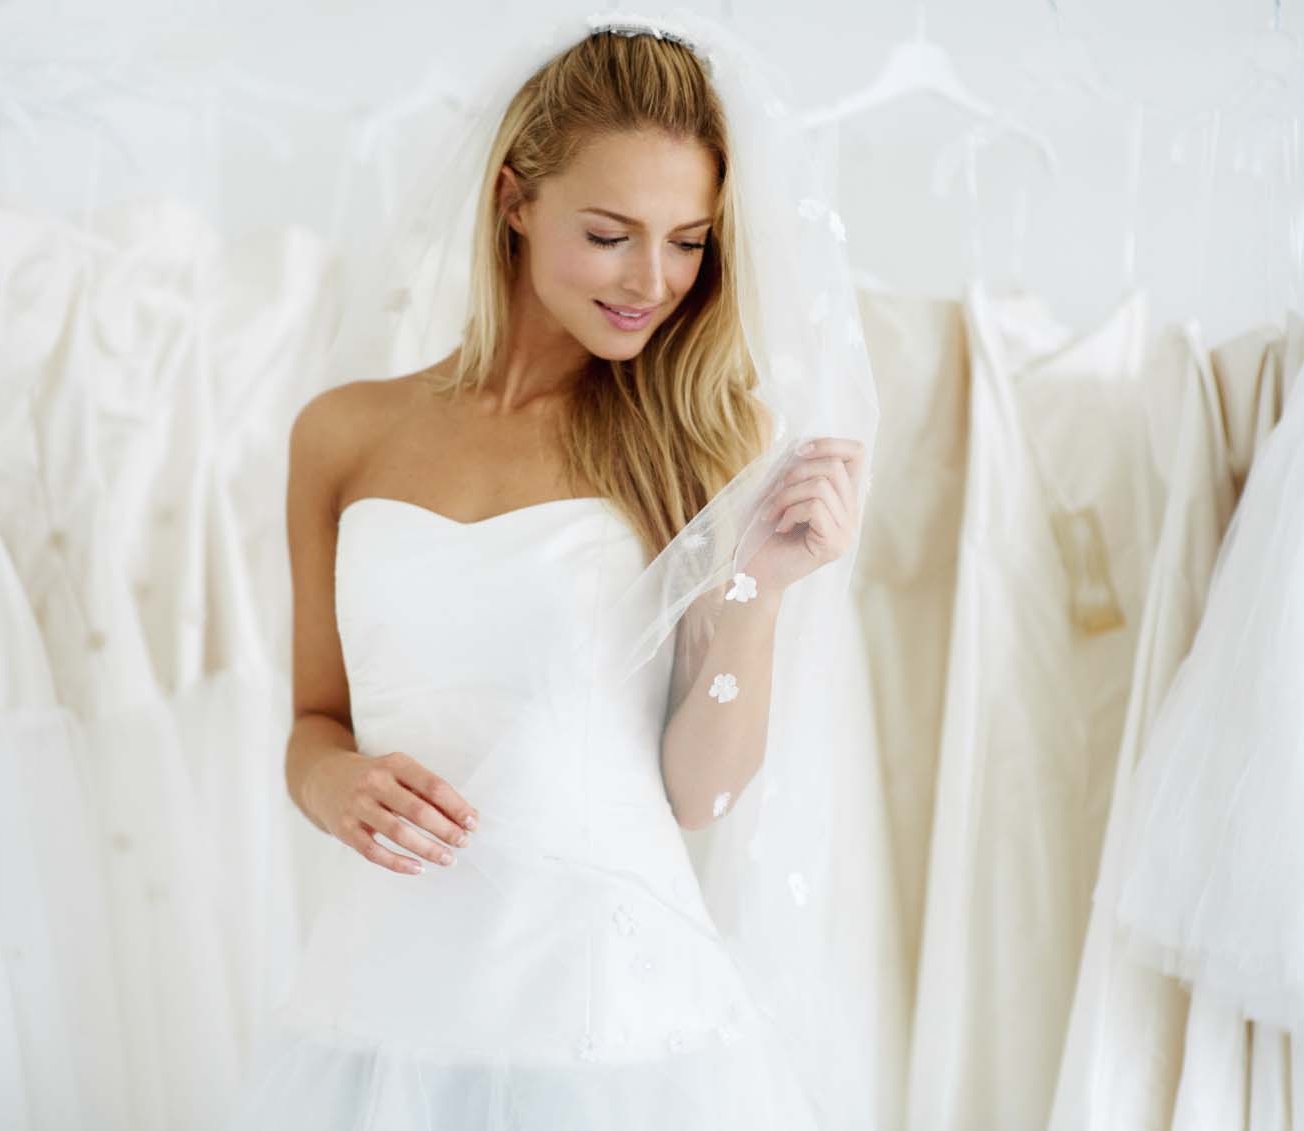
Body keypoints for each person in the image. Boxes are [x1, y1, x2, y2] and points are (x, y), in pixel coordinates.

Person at [227, 12, 879, 1128]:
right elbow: (315, 722)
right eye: (612, 234)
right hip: (387, 996)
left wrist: (758, 587)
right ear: (514, 200)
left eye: (689, 241)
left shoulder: (705, 443)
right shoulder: (340, 433)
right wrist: (334, 785)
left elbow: (701, 797)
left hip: (611, 1022)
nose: (654, 280)